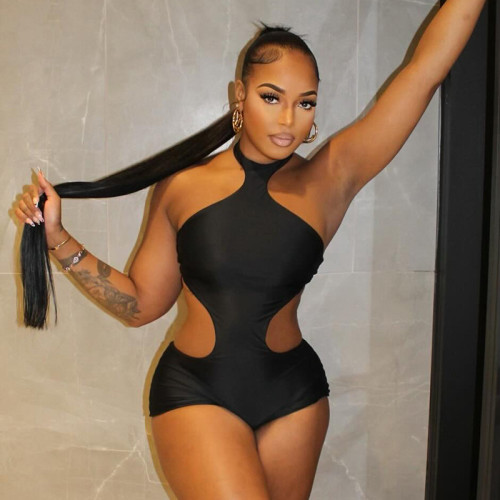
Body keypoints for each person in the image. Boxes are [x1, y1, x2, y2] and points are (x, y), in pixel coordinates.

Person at [14, 1, 487, 498]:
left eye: (306, 103)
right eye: (271, 97)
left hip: (295, 397)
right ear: (239, 94)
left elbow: (424, 72)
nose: (288, 119)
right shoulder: (182, 186)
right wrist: (57, 238)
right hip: (196, 391)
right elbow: (141, 305)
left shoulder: (329, 178)